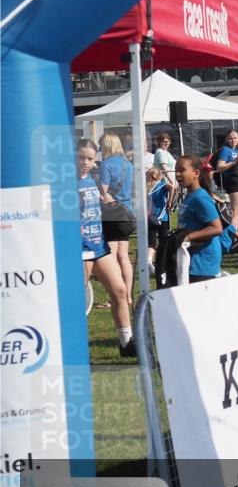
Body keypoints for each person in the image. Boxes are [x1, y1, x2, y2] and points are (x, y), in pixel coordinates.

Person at [78, 139, 135, 357]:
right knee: (78, 298)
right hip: (79, 248)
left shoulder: (94, 178)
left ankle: (126, 342)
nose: (85, 162)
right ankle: (71, 341)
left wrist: (106, 201)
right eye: (81, 157)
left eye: (90, 159)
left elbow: (98, 204)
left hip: (99, 244)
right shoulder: (65, 182)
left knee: (120, 290)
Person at [97, 132, 135, 304]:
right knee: (124, 256)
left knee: (111, 256)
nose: (99, 149)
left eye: (100, 145)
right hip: (127, 212)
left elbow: (104, 193)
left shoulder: (106, 165)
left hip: (111, 213)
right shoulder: (128, 164)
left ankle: (115, 297)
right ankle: (127, 295)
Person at [175, 154, 224, 282]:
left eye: (181, 170)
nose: (177, 174)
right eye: (176, 171)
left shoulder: (200, 197)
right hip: (191, 260)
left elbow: (217, 228)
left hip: (202, 264)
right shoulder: (190, 195)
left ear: (196, 173)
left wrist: (188, 237)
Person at [215, 129, 238, 233]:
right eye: (230, 138)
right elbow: (220, 167)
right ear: (226, 139)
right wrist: (234, 162)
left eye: (235, 138)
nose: (233, 140)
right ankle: (231, 237)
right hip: (233, 182)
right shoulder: (225, 150)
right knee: (236, 213)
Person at [146, 166, 173, 280]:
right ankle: (162, 264)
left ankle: (148, 261)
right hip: (162, 217)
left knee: (152, 242)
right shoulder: (161, 185)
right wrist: (170, 201)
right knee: (163, 240)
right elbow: (172, 187)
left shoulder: (147, 187)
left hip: (150, 217)